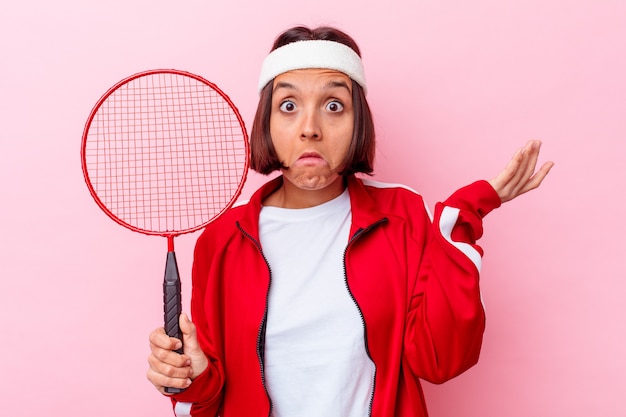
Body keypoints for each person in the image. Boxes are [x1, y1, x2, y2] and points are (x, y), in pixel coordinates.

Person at [146, 25, 554, 417]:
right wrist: (191, 377)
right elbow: (206, 397)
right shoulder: (221, 239)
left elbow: (441, 360)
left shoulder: (403, 216)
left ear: (358, 122)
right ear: (266, 125)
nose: (310, 129)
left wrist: (462, 218)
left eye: (334, 106)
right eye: (288, 106)